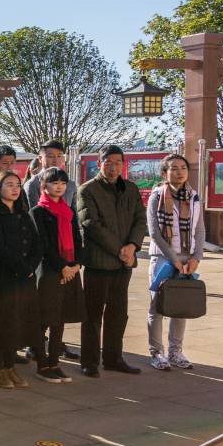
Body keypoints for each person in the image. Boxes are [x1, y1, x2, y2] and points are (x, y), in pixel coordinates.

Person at [76, 144, 147, 377]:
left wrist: (133, 246)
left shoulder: (131, 189)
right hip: (99, 262)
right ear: (99, 164)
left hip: (123, 263)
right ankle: (89, 361)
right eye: (108, 162)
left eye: (118, 162)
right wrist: (120, 249)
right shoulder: (87, 190)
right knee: (93, 314)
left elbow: (140, 220)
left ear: (123, 164)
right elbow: (91, 224)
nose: (113, 166)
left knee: (119, 313)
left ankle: (114, 358)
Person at [0, 171, 42, 390]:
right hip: (2, 279)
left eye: (17, 185)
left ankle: (10, 365)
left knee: (17, 324)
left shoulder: (23, 213)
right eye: (9, 185)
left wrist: (30, 267)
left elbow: (36, 244)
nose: (15, 189)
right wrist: (22, 268)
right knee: (1, 325)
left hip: (24, 280)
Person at [146, 154, 205, 371]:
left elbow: (199, 229)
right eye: (173, 168)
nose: (179, 172)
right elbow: (154, 232)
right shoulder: (157, 196)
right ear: (164, 173)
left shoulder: (194, 197)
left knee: (181, 305)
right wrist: (173, 259)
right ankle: (156, 352)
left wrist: (196, 257)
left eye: (183, 167)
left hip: (187, 257)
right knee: (157, 306)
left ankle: (175, 351)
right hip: (162, 257)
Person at [30, 167, 82, 383]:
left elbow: (77, 239)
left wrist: (77, 264)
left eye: (62, 183)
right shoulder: (38, 211)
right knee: (44, 318)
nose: (59, 186)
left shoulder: (68, 211)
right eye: (54, 183)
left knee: (60, 319)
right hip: (50, 271)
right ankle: (42, 363)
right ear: (44, 186)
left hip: (70, 270)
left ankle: (54, 362)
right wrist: (63, 266)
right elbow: (44, 245)